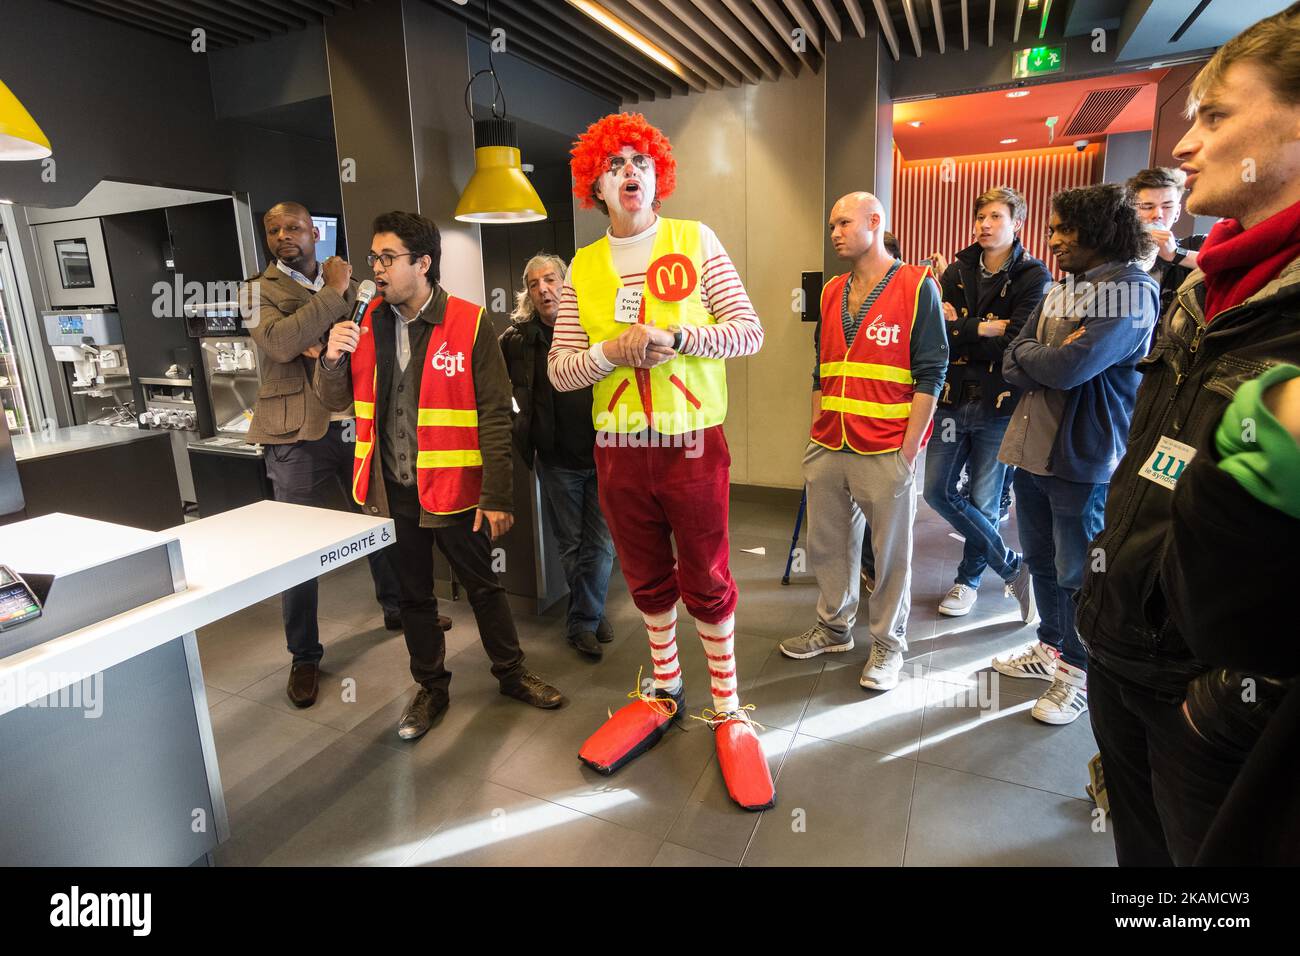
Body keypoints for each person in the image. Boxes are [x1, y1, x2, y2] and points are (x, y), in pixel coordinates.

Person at [1077, 1, 1300, 865]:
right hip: (1123, 643)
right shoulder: (1205, 289)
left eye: (1215, 115)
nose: (1182, 144)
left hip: (1220, 696)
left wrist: (1231, 698)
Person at [548, 112, 773, 811]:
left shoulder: (694, 240)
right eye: (614, 164)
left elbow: (749, 332)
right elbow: (560, 373)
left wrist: (678, 334)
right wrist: (609, 353)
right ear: (596, 184)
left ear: (658, 175)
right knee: (645, 575)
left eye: (640, 160)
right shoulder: (580, 267)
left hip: (692, 441)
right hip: (617, 448)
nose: (629, 172)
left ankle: (730, 706)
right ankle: (667, 686)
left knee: (705, 573)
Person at [315, 211, 565, 741]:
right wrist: (333, 360)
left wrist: (497, 495)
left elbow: (496, 415)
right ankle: (431, 686)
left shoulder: (471, 323)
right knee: (413, 597)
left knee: (483, 586)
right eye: (373, 259)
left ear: (423, 263)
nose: (377, 270)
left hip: (454, 490)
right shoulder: (364, 322)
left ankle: (512, 672)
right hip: (391, 488)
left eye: (388, 259)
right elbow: (337, 402)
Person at [993, 184, 1158, 725]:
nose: (1055, 239)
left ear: (1101, 229)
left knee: (1077, 573)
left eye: (1066, 229)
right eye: (1054, 228)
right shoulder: (1066, 287)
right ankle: (1050, 647)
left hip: (1081, 460)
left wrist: (1036, 353)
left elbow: (1068, 368)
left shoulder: (1130, 291)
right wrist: (1039, 352)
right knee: (1041, 561)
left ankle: (1078, 675)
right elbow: (1011, 353)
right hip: (1031, 451)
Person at [779, 192, 947, 693]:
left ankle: (889, 644)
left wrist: (909, 449)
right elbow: (820, 368)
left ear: (875, 222)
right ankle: (834, 628)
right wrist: (817, 430)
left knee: (891, 554)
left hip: (887, 446)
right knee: (827, 545)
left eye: (844, 222)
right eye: (831, 224)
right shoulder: (831, 291)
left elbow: (932, 373)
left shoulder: (918, 286)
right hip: (831, 442)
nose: (834, 232)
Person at [243, 201, 402, 709]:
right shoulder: (253, 292)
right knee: (299, 549)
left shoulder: (362, 284)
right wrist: (332, 293)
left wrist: (326, 327)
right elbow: (280, 341)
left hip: (356, 422)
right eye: (273, 230)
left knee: (377, 520)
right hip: (296, 433)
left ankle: (397, 609)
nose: (283, 236)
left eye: (293, 227)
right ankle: (304, 655)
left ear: (315, 232)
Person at [927, 187, 1049, 620]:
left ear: (1017, 224)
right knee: (936, 491)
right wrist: (986, 329)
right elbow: (940, 335)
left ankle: (969, 580)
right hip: (951, 398)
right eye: (981, 216)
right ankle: (1014, 568)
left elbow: (1018, 344)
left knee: (983, 500)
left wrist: (966, 328)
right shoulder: (957, 270)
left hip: (1001, 403)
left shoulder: (1034, 275)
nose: (984, 224)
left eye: (995, 216)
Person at [500, 253, 616, 659]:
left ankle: (583, 616)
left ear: (567, 284)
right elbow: (501, 393)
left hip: (605, 452)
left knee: (602, 543)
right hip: (555, 459)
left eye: (550, 280)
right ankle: (589, 614)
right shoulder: (516, 340)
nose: (543, 289)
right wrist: (520, 427)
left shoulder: (593, 327)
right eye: (534, 284)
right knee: (571, 544)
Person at [1126, 166, 1206, 338]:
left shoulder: (1196, 245)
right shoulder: (1119, 255)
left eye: (1167, 206)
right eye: (1147, 206)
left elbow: (1223, 267)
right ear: (1133, 212)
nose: (1158, 214)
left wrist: (1176, 254)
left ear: (1177, 212)